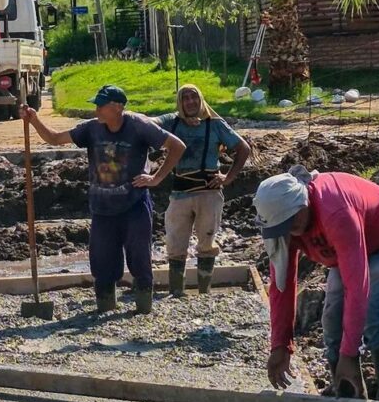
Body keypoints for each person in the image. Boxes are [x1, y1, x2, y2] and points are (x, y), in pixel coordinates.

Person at [254, 167, 379, 402]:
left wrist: (350, 354)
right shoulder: (284, 226)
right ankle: (348, 398)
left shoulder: (335, 212)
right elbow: (281, 285)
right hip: (355, 245)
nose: (288, 232)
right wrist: (280, 344)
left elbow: (357, 288)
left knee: (375, 316)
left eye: (291, 222)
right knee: (331, 319)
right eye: (280, 228)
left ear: (302, 203)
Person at [20, 84, 185, 314]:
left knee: (139, 258)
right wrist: (34, 120)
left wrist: (156, 178)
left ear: (117, 107)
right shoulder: (91, 129)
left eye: (101, 105)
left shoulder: (139, 126)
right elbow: (55, 138)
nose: (96, 109)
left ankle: (143, 307)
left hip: (134, 206)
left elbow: (177, 146)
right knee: (102, 262)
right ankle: (106, 305)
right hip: (102, 209)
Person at [152, 84, 251, 296]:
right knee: (175, 244)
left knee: (207, 242)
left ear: (201, 100)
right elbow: (152, 124)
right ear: (180, 102)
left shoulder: (215, 125)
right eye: (185, 98)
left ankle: (204, 293)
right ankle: (176, 293)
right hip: (180, 193)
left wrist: (228, 177)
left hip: (208, 193)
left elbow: (243, 148)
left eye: (194, 97)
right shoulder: (172, 122)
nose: (190, 102)